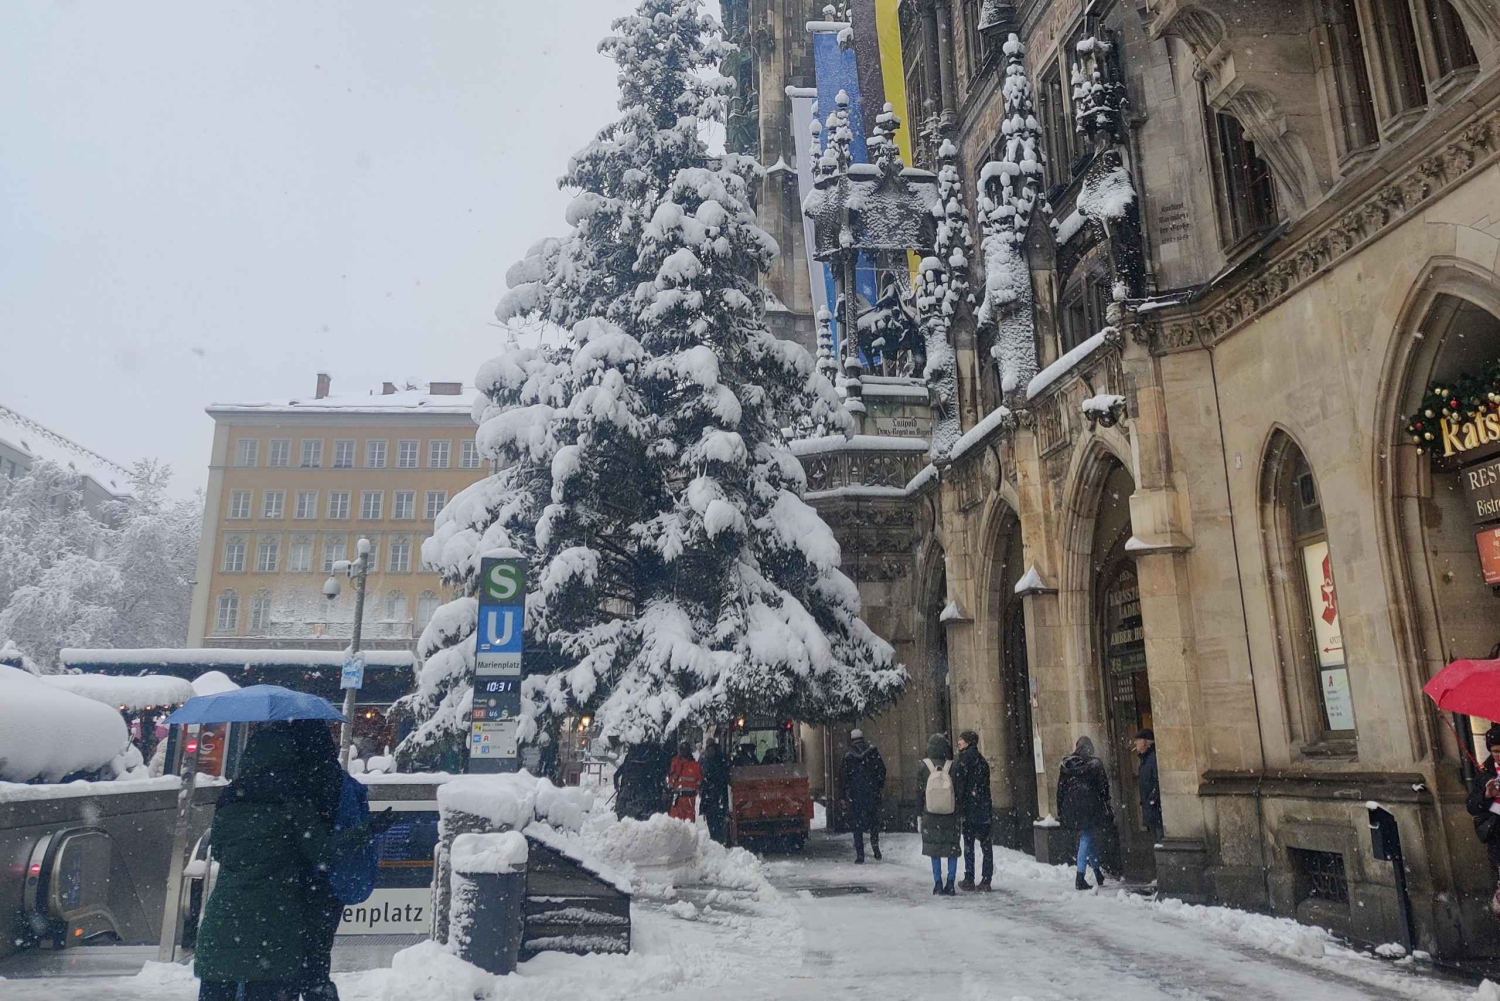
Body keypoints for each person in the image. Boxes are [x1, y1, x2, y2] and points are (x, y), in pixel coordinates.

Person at [194, 724, 371, 1001]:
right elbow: (323, 852)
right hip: (273, 929)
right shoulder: (293, 801)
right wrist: (366, 831)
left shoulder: (230, 798)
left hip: (222, 924)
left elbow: (219, 850)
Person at [287, 721, 347, 1001]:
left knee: (284, 962)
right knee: (318, 956)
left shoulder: (287, 781)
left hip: (288, 880)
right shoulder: (335, 778)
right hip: (326, 881)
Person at [1057, 735, 1112, 891]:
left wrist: (1060, 809)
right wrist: (1105, 802)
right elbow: (1103, 787)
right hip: (1090, 806)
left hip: (1071, 807)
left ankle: (1097, 872)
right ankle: (1080, 877)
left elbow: (1060, 789)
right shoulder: (1095, 764)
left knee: (1089, 837)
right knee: (1087, 837)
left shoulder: (1067, 765)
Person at [918, 733, 961, 895]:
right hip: (950, 813)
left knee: (934, 850)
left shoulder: (924, 766)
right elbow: (959, 791)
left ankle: (937, 882)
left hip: (930, 814)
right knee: (952, 849)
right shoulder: (952, 766)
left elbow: (919, 793)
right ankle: (951, 882)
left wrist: (919, 813)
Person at [952, 729, 993, 891]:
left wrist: (959, 806)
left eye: (961, 739)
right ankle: (986, 880)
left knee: (969, 844)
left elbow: (959, 787)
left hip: (969, 808)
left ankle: (969, 878)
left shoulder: (962, 761)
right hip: (983, 807)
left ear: (968, 742)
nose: (958, 742)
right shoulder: (982, 761)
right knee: (986, 845)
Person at [1466, 724, 1500, 917]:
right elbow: (1472, 806)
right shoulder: (1486, 773)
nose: (1498, 756)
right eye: (1495, 751)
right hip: (1497, 838)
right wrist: (1486, 796)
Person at [839, 729, 886, 863]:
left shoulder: (848, 756)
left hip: (856, 795)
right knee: (873, 822)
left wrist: (844, 794)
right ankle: (875, 848)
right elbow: (882, 770)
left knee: (857, 824)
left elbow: (842, 777)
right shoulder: (873, 753)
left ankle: (860, 855)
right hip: (872, 793)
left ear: (852, 739)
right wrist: (878, 785)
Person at [700, 738, 731, 844]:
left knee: (719, 817)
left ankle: (719, 837)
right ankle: (714, 837)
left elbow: (724, 775)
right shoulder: (705, 759)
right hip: (709, 793)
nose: (710, 751)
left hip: (718, 792)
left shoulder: (720, 759)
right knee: (711, 817)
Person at [1134, 729, 1163, 845]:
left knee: (1159, 838)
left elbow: (1157, 780)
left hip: (1155, 807)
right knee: (1155, 838)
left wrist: (1152, 799)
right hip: (1150, 806)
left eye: (1137, 741)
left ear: (1145, 742)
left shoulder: (1152, 758)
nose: (1135, 744)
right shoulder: (1145, 759)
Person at [667, 741, 703, 822]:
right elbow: (699, 781)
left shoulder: (676, 762)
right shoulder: (695, 765)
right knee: (686, 822)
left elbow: (671, 779)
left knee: (677, 822)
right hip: (686, 798)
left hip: (681, 797)